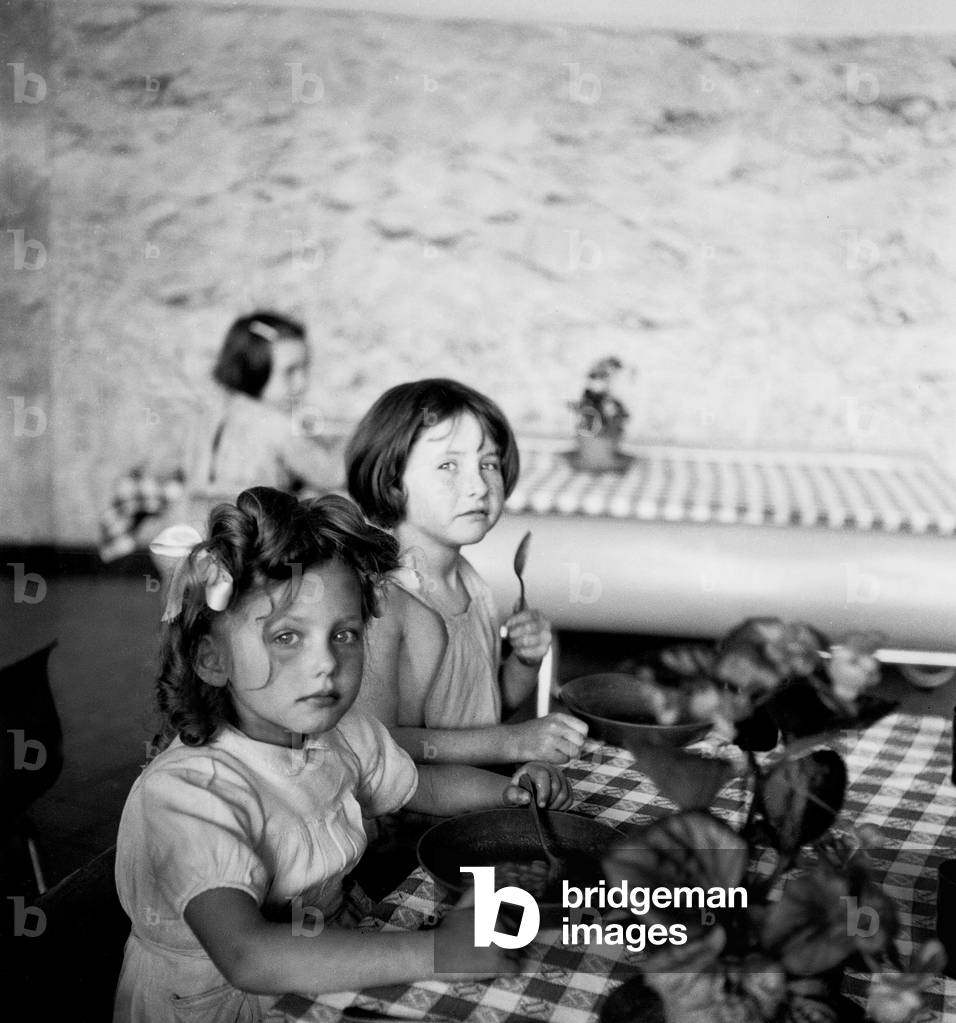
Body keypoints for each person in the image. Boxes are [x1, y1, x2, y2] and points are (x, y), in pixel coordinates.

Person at [113, 487, 570, 1023]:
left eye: (345, 634)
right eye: (286, 637)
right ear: (212, 659)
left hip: (326, 968)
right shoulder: (189, 791)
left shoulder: (341, 734)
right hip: (216, 1004)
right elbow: (247, 955)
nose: (325, 662)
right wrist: (440, 951)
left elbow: (424, 785)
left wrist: (511, 792)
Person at [346, 378, 587, 766]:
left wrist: (524, 663)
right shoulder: (386, 602)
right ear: (392, 482)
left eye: (488, 463)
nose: (478, 485)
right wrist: (511, 744)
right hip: (414, 820)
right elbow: (374, 745)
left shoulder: (470, 583)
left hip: (475, 801)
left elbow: (485, 710)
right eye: (448, 465)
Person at [99, 311, 341, 562]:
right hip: (245, 538)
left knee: (187, 596)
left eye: (305, 369)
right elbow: (329, 473)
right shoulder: (274, 424)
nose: (301, 383)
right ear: (254, 368)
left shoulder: (205, 414)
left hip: (183, 534)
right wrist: (347, 443)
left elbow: (164, 466)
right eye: (290, 372)